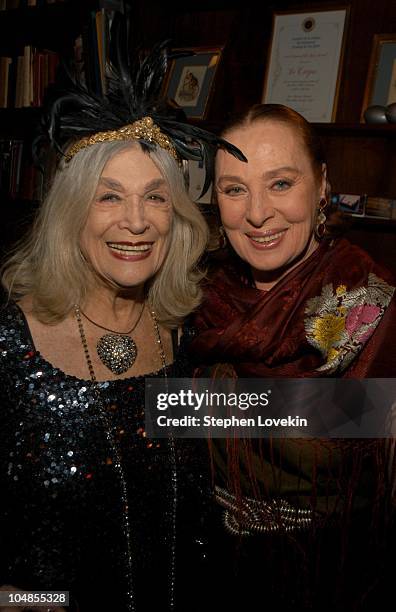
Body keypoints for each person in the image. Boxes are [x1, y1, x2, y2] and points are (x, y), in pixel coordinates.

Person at [0, 17, 245, 612]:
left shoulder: (179, 331)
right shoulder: (9, 344)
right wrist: (43, 603)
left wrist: (363, 410)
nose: (135, 222)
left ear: (177, 215)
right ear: (69, 212)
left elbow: (252, 413)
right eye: (109, 195)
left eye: (155, 196)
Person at [191, 104, 396, 611]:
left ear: (322, 184)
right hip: (204, 566)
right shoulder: (193, 299)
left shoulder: (374, 303)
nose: (257, 213)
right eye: (234, 189)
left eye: (280, 183)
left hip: (331, 576)